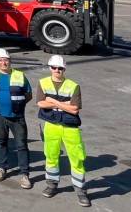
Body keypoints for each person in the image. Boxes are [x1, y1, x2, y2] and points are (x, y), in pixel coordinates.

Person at [37, 55, 90, 207]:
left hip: (70, 127)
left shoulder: (73, 86)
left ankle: (80, 190)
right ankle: (52, 184)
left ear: (64, 69)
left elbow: (74, 109)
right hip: (51, 125)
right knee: (51, 156)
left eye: (60, 68)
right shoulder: (43, 83)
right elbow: (40, 103)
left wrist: (53, 102)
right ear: (50, 68)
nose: (57, 70)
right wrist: (63, 104)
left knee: (77, 158)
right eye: (54, 67)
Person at [0, 48, 33, 189]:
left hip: (17, 117)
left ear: (10, 61)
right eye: (0, 60)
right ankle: (2, 168)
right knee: (1, 142)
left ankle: (25, 174)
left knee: (22, 145)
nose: (3, 62)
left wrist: (16, 106)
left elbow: (28, 95)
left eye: (6, 60)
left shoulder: (20, 76)